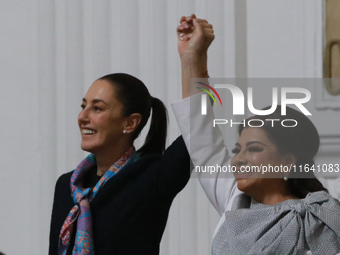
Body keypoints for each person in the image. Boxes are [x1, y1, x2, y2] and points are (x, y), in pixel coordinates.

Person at [172, 15, 340, 255]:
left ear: (288, 160)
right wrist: (192, 58)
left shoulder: (325, 216)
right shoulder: (234, 199)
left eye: (254, 149)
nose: (239, 159)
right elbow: (200, 135)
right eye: (237, 150)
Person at [49, 73, 191, 255]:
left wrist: (192, 59)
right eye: (83, 106)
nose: (82, 116)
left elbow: (197, 129)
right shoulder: (67, 186)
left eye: (97, 108)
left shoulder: (152, 177)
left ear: (130, 123)